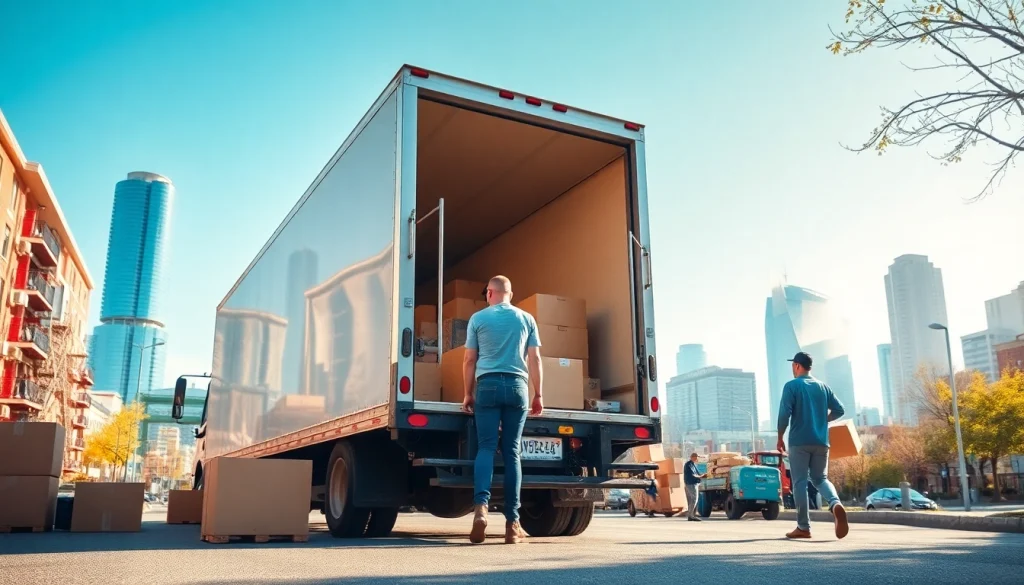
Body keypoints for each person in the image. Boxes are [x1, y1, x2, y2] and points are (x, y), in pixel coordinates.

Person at [460, 276, 544, 544]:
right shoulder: (526, 319)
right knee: (512, 452)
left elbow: (469, 359)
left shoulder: (478, 319)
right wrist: (538, 394)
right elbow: (535, 358)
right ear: (511, 293)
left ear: (489, 293)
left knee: (486, 448)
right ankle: (512, 524)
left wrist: (467, 394)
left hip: (487, 386)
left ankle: (480, 510)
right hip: (518, 387)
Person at [777, 351, 849, 540]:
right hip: (821, 441)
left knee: (800, 482)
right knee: (820, 479)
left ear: (797, 366)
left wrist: (779, 436)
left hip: (799, 442)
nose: (792, 368)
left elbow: (784, 414)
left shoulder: (792, 386)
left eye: (793, 365)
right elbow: (840, 409)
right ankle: (835, 503)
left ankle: (803, 527)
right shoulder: (823, 387)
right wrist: (822, 419)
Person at [683, 453, 705, 521]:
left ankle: (692, 515)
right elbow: (693, 475)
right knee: (694, 499)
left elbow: (697, 474)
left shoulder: (694, 464)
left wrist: (703, 475)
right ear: (693, 457)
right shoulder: (688, 464)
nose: (697, 459)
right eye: (696, 457)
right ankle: (691, 515)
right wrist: (701, 476)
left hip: (694, 483)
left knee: (694, 499)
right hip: (691, 483)